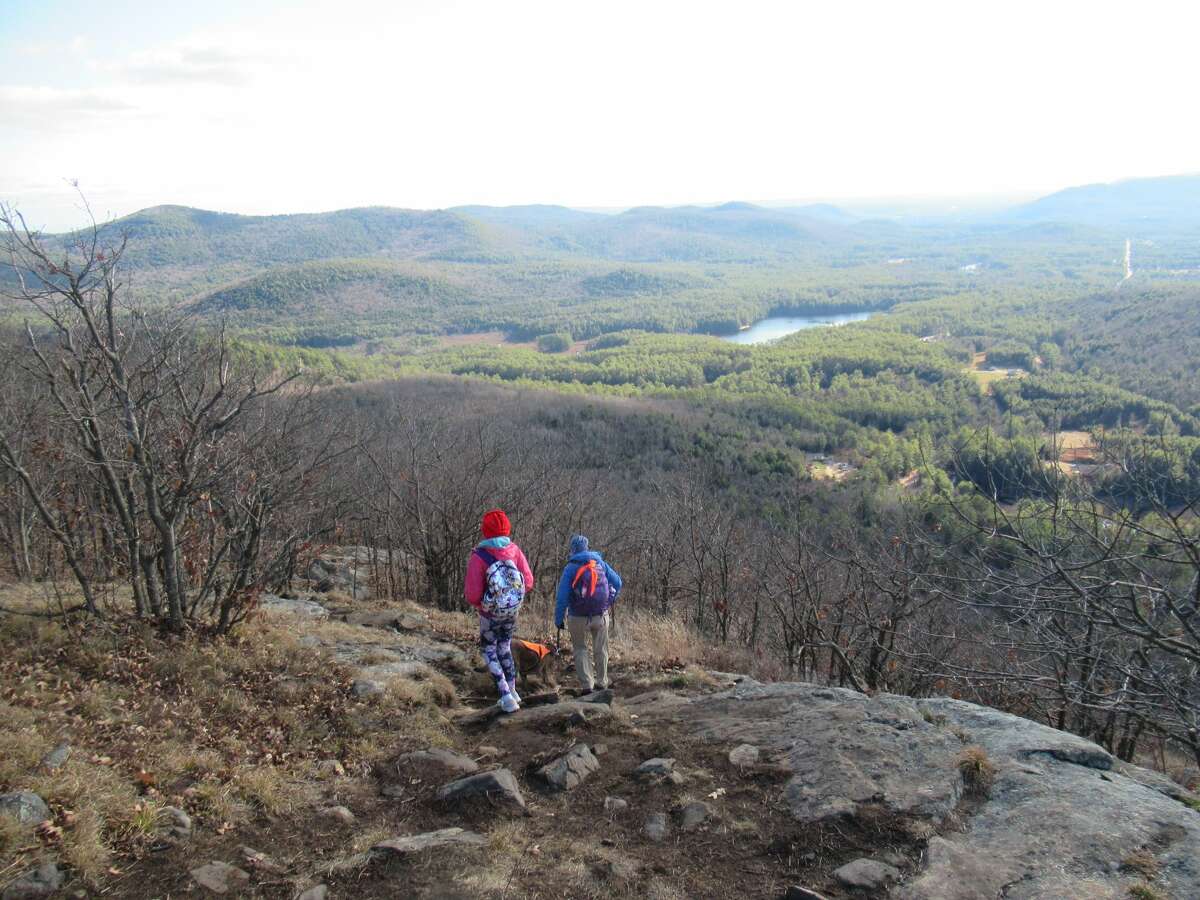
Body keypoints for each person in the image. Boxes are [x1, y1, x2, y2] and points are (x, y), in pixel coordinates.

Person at [464, 509, 534, 713]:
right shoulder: (515, 550)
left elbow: (472, 594)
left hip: (489, 615)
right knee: (504, 647)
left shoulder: (480, 556)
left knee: (489, 651)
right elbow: (528, 581)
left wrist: (484, 603)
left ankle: (505, 695)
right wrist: (510, 598)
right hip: (511, 612)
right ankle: (513, 691)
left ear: (485, 531)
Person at [555, 534, 622, 693]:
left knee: (580, 648)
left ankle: (587, 685)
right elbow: (618, 583)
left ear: (572, 550)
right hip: (600, 614)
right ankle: (602, 681)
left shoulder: (570, 568)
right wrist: (609, 601)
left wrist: (558, 619)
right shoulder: (600, 563)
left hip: (577, 616)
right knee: (601, 648)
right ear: (587, 547)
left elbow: (562, 597)